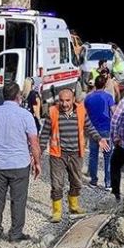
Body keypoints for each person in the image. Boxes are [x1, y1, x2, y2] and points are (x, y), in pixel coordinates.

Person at [0, 82, 42, 243]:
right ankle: (15, 234)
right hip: (20, 164)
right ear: (18, 97)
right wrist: (37, 162)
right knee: (19, 199)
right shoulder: (25, 116)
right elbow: (34, 142)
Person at [40, 88, 108, 222]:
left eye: (67, 100)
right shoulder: (52, 112)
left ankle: (73, 205)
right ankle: (57, 212)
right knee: (57, 184)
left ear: (72, 100)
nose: (64, 104)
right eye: (61, 100)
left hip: (76, 153)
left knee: (77, 183)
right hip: (58, 154)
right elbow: (44, 134)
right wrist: (39, 152)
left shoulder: (81, 111)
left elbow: (89, 127)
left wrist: (99, 139)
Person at [84, 75, 116, 190]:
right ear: (104, 84)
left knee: (93, 155)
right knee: (108, 156)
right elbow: (114, 112)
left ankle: (93, 181)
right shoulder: (108, 97)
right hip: (106, 129)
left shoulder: (88, 98)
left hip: (93, 130)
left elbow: (85, 114)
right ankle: (108, 183)